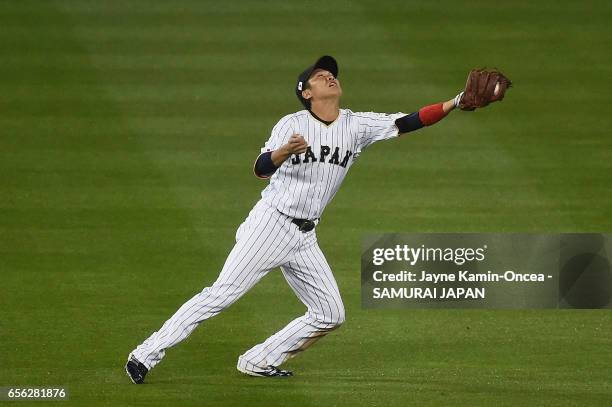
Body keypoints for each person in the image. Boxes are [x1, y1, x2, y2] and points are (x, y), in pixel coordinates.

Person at [125, 55, 464, 383]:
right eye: (320, 76)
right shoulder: (292, 124)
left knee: (330, 314)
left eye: (331, 74)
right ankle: (145, 353)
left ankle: (259, 360)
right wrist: (283, 151)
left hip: (305, 237)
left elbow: (409, 121)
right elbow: (260, 168)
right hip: (271, 225)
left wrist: (456, 102)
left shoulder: (355, 125)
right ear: (307, 92)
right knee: (220, 295)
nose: (330, 77)